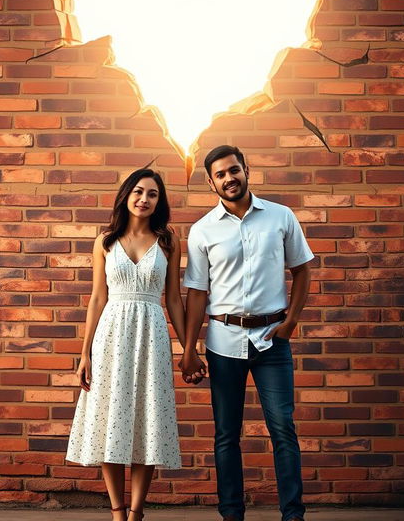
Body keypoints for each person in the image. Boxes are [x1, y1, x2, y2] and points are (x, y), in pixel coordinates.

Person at [180, 145, 313, 521]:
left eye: (233, 170)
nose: (229, 178)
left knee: (282, 428)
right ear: (211, 182)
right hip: (223, 342)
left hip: (273, 340)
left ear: (246, 170)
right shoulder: (203, 230)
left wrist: (290, 323)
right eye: (220, 174)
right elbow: (197, 293)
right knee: (226, 435)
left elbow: (303, 269)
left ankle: (293, 515)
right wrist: (189, 349)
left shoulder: (280, 217)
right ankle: (232, 515)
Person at [66, 168, 186, 521]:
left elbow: (175, 300)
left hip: (152, 334)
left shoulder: (169, 241)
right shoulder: (105, 241)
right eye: (138, 191)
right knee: (109, 418)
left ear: (159, 201)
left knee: (148, 418)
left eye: (152, 194)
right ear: (126, 196)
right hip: (110, 336)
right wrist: (84, 353)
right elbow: (97, 298)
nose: (144, 199)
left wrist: (189, 348)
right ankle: (118, 511)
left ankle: (137, 512)